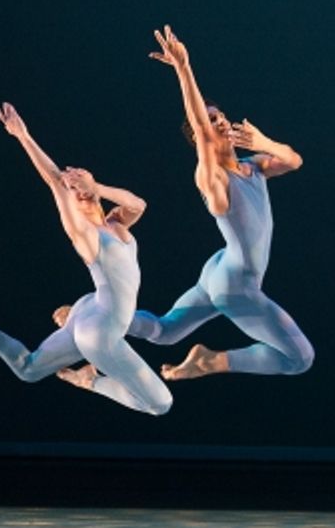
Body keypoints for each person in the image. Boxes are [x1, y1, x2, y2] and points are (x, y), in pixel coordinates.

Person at [0, 103, 172, 415]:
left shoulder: (115, 224)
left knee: (30, 369)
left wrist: (95, 186)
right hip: (99, 331)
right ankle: (87, 379)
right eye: (72, 190)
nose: (77, 189)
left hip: (90, 308)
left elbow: (138, 204)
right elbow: (53, 180)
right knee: (161, 404)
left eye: (81, 182)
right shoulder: (85, 234)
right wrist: (24, 136)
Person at [126, 25, 314, 380]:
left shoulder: (252, 166)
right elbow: (199, 126)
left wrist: (263, 141)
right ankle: (213, 361)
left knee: (165, 332)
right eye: (213, 120)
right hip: (235, 285)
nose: (221, 121)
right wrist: (184, 68)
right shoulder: (212, 179)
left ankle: (109, 318)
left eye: (222, 116)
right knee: (300, 358)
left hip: (220, 268)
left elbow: (294, 160)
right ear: (201, 138)